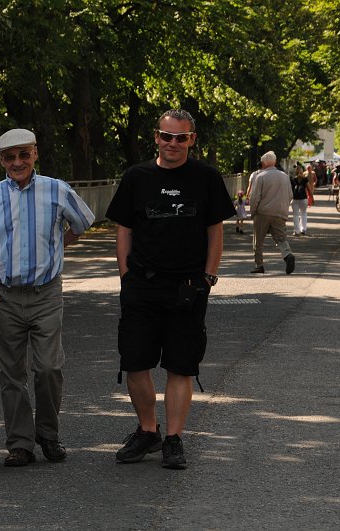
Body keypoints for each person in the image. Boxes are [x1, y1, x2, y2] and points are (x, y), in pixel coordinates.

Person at [105, 109, 235, 469]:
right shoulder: (137, 177)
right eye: (166, 136)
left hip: (188, 287)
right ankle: (149, 431)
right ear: (156, 137)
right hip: (142, 285)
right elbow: (124, 229)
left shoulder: (206, 178)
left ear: (192, 139)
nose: (172, 143)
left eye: (181, 137)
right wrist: (125, 277)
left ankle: (174, 440)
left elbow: (215, 230)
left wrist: (208, 278)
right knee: (135, 362)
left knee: (181, 366)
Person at [0, 128, 95, 467]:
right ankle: (20, 444)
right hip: (6, 296)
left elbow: (82, 223)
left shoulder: (57, 189)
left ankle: (49, 435)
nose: (17, 162)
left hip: (46, 293)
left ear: (35, 154)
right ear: (1, 161)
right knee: (11, 372)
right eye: (10, 157)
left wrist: (57, 245)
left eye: (24, 154)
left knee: (49, 367)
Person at [249, 151, 295, 274]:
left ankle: (259, 265)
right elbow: (290, 195)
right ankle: (287, 255)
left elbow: (255, 197)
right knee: (281, 238)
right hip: (280, 212)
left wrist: (253, 211)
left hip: (263, 212)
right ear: (274, 162)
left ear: (264, 163)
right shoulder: (284, 176)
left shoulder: (260, 177)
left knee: (258, 240)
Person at [291, 166, 314, 236]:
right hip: (303, 199)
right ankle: (303, 229)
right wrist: (312, 198)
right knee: (303, 214)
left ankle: (297, 231)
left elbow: (290, 190)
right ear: (302, 172)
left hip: (295, 199)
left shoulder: (293, 180)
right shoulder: (305, 180)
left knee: (295, 215)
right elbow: (309, 189)